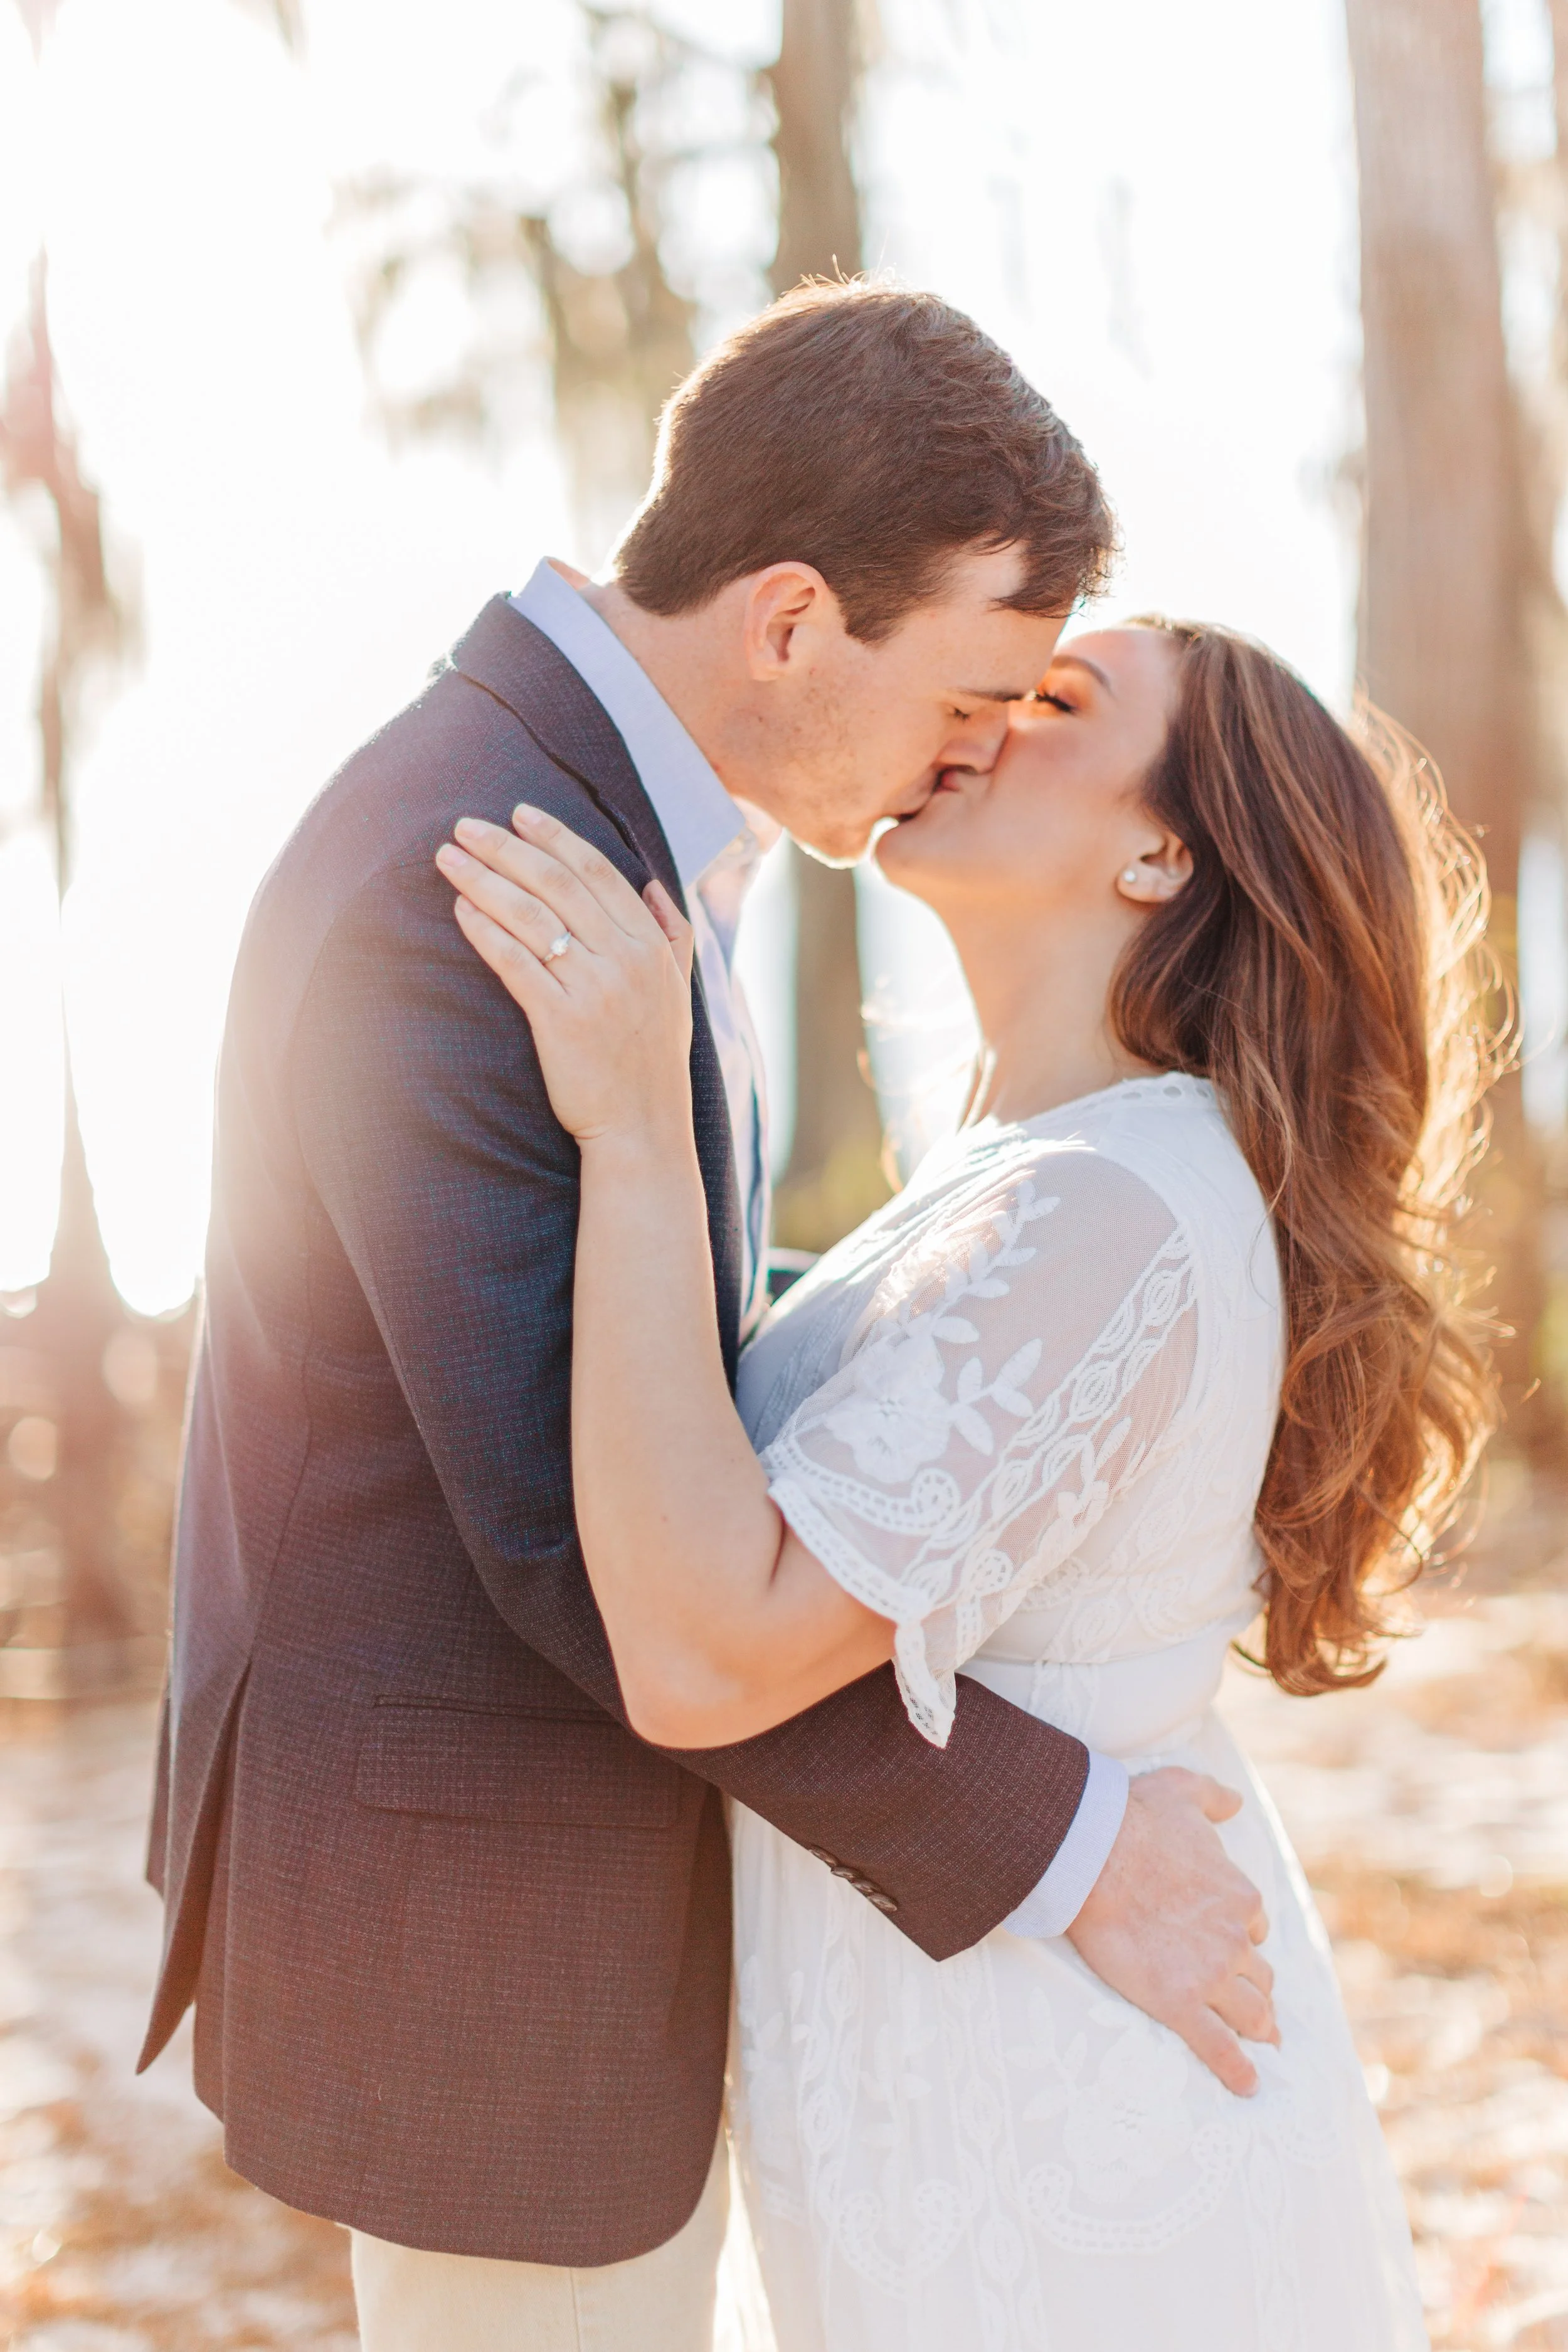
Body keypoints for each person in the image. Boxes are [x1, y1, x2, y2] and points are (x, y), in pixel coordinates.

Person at [140, 281, 1278, 2352]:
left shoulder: (612, 826)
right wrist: (1060, 1838)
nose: (976, 749)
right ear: (788, 621)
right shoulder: (474, 879)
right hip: (484, 1930)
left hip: (573, 1899)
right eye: (971, 692)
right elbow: (571, 1537)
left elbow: (661, 1350)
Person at [441, 611, 1496, 2350]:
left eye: (1059, 699)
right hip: (953, 2066)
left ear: (1161, 854)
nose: (985, 715)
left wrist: (631, 1126)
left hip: (1048, 2114)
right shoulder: (1038, 1175)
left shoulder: (1108, 1212)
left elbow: (711, 1651)